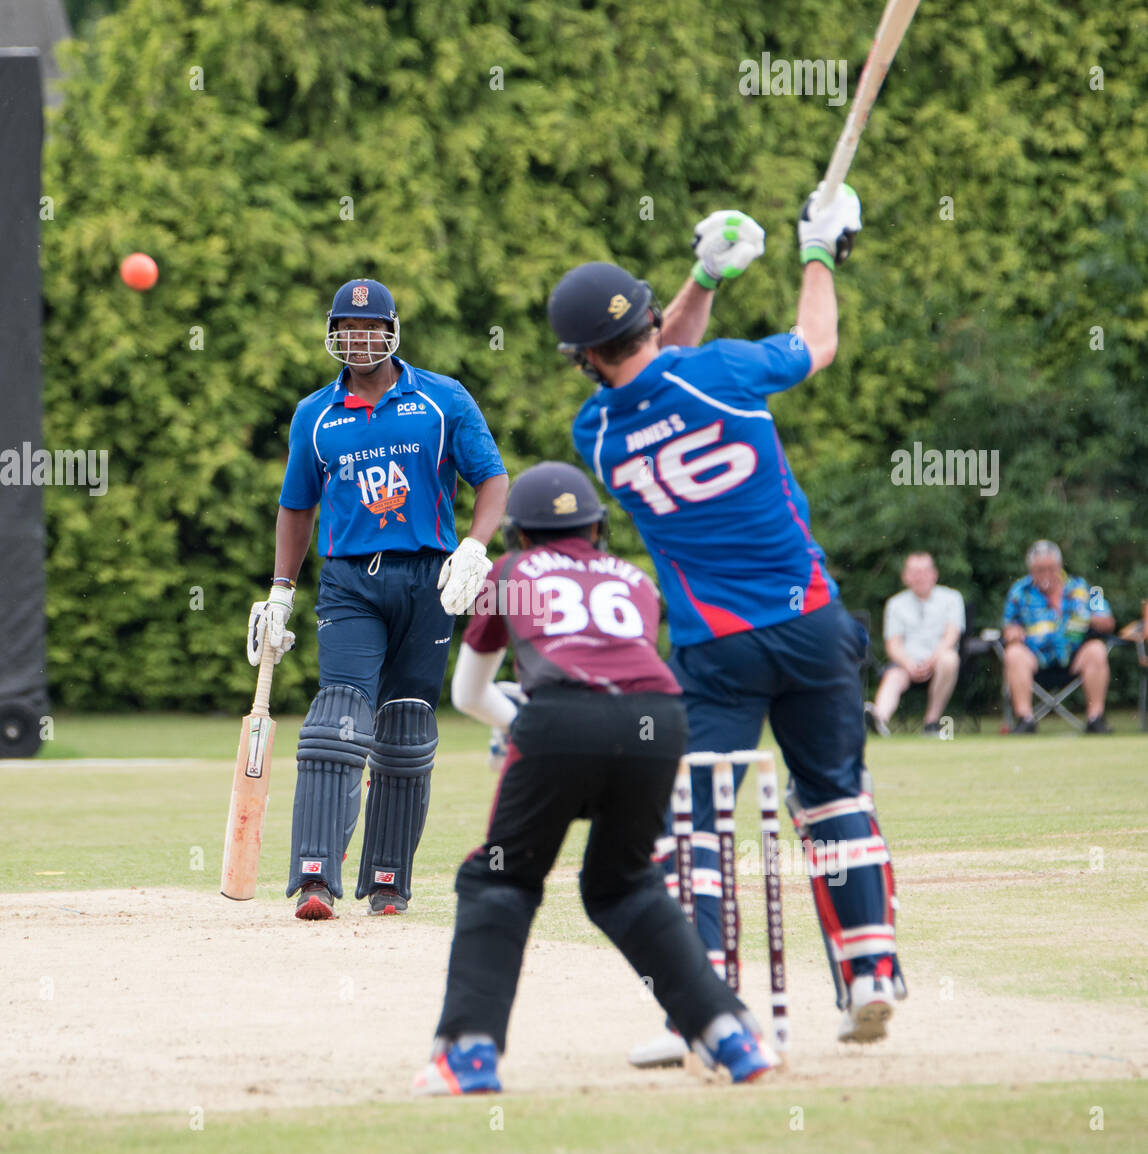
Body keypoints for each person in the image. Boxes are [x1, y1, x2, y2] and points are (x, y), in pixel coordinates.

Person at [548, 186, 906, 1067]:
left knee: (698, 819)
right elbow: (815, 343)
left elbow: (648, 359)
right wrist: (820, 249)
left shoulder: (595, 432)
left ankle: (704, 1015)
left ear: (586, 356)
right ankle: (870, 973)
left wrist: (702, 278)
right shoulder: (726, 374)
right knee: (831, 794)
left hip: (715, 648)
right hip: (813, 620)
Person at [413, 461, 777, 1095]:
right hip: (661, 720)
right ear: (597, 527)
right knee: (625, 885)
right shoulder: (634, 579)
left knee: (499, 876)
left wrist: (519, 721)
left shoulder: (510, 573)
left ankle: (468, 1055)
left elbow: (470, 693)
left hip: (560, 718)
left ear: (518, 534)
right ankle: (731, 1036)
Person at [251, 278, 508, 919]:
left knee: (406, 727)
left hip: (431, 580)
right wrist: (280, 591)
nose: (358, 339)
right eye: (347, 328)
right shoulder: (315, 414)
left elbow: (492, 478)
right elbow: (296, 506)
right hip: (350, 582)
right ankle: (315, 876)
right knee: (339, 715)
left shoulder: (442, 399)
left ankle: (387, 880)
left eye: (370, 328)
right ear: (334, 334)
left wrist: (475, 547)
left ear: (392, 331)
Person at [1002, 540, 1115, 733]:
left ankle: (1095, 718)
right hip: (1035, 659)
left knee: (1097, 649)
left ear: (1059, 566)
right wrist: (1012, 632)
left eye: (1050, 568)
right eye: (1039, 569)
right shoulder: (1019, 591)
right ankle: (1025, 719)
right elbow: (1008, 627)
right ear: (1031, 569)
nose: (1045, 574)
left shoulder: (1084, 587)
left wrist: (1096, 620)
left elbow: (1108, 620)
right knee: (1013, 654)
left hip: (1075, 657)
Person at [866, 552, 965, 736]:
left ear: (934, 574)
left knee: (949, 659)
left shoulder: (952, 598)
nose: (921, 576)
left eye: (925, 571)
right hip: (906, 663)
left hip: (940, 661)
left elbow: (952, 636)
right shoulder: (896, 604)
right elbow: (893, 644)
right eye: (915, 572)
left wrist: (931, 660)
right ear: (906, 577)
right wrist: (908, 663)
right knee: (893, 676)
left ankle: (931, 722)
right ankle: (879, 718)